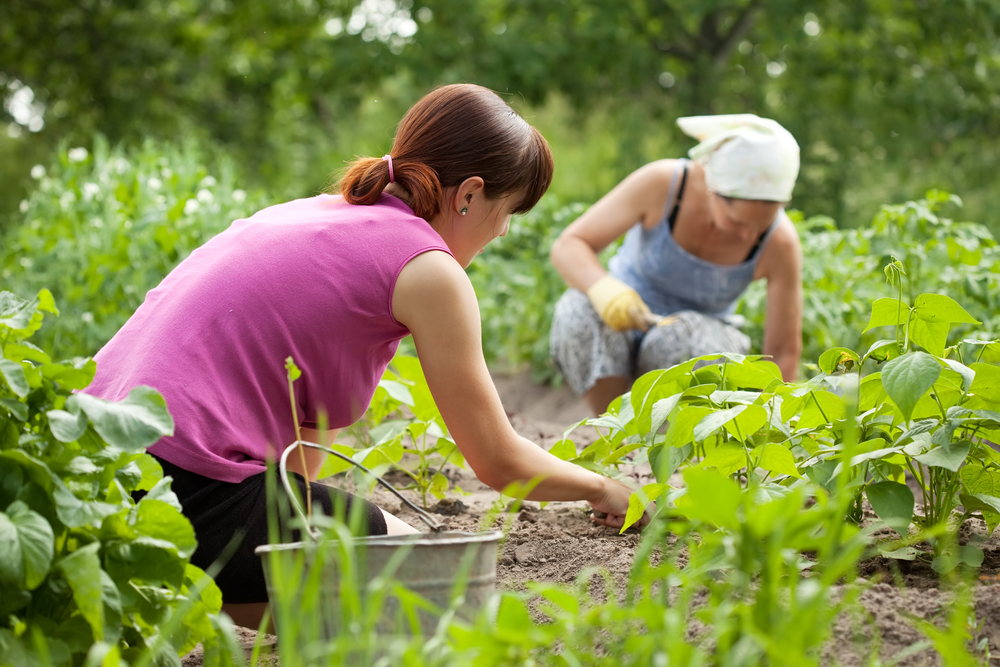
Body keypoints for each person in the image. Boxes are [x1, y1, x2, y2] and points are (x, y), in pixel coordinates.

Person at [84, 84, 643, 629]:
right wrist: (604, 487)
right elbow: (498, 462)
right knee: (434, 594)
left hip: (93, 468)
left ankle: (163, 586)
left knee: (346, 586)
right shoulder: (428, 269)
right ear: (469, 195)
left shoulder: (315, 214)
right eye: (510, 211)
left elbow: (296, 452)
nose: (501, 232)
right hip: (187, 487)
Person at [549, 114, 803, 416]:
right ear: (713, 187)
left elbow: (784, 351)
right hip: (623, 327)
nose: (748, 235)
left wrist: (776, 422)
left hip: (697, 344)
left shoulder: (780, 243)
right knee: (577, 310)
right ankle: (614, 426)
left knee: (680, 338)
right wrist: (604, 289)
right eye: (737, 222)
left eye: (761, 226)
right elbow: (569, 245)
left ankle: (675, 437)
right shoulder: (664, 186)